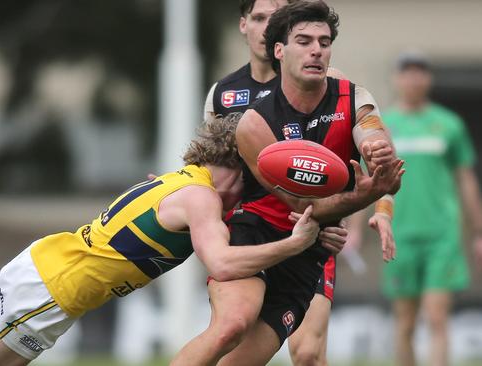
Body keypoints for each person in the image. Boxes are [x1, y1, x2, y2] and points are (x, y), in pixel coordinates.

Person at [0, 113, 352, 366]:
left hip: (48, 262)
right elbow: (221, 264)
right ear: (238, 169)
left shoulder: (176, 178)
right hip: (59, 287)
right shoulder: (202, 200)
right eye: (256, 181)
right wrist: (295, 242)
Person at [172, 2, 403, 365]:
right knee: (232, 324)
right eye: (305, 40)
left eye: (324, 42)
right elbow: (209, 166)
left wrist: (378, 175)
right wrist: (178, 191)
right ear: (275, 46)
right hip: (253, 229)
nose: (316, 50)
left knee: (305, 353)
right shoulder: (242, 110)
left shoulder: (350, 93)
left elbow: (379, 151)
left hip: (313, 246)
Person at [348, 51, 482, 366]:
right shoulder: (381, 129)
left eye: (420, 72)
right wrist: (354, 230)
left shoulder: (449, 124)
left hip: (442, 234)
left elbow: (466, 179)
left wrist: (481, 233)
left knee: (437, 316)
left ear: (428, 79)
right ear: (396, 78)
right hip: (399, 236)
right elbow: (366, 184)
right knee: (405, 322)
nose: (413, 78)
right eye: (407, 72)